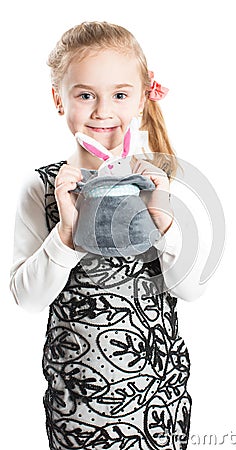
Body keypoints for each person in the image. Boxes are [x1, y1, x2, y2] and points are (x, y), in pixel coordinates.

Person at [9, 21, 210, 450]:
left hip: (160, 405)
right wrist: (66, 231)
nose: (102, 111)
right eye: (85, 95)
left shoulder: (160, 180)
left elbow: (190, 290)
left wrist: (163, 217)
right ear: (58, 100)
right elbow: (26, 298)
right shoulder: (43, 187)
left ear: (141, 99)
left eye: (119, 95)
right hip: (76, 402)